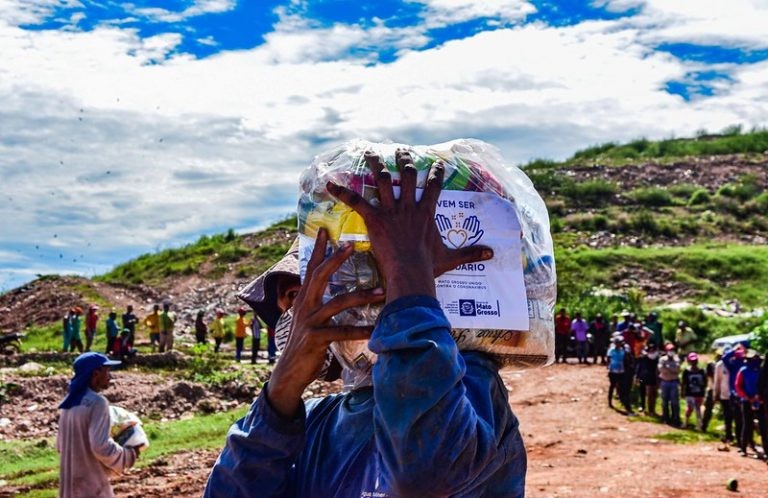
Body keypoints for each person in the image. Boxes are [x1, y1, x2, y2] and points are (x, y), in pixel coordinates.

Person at [205, 150, 526, 496]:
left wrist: (409, 279)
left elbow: (426, 473)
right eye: (290, 297)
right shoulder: (307, 425)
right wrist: (281, 388)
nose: (297, 308)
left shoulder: (473, 396)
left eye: (310, 288)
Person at [57, 352, 140, 497]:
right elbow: (99, 446)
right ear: (95, 374)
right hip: (92, 487)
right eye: (107, 371)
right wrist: (128, 455)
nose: (110, 376)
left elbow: (60, 445)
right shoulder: (97, 403)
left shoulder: (67, 405)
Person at [734, 352, 767, 458]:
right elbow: (738, 386)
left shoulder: (763, 371)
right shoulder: (743, 371)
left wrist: (760, 397)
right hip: (747, 401)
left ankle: (766, 451)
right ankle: (743, 448)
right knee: (747, 425)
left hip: (760, 401)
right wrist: (746, 397)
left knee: (764, 427)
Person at [723, 346, 746, 447]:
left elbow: (724, 358)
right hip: (741, 395)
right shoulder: (743, 364)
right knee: (743, 419)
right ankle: (743, 441)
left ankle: (740, 441)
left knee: (737, 419)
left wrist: (733, 350)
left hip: (736, 394)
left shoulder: (733, 364)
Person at [713, 347, 735, 444]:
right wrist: (716, 394)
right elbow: (717, 381)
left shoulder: (735, 363)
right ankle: (728, 435)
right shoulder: (720, 365)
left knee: (737, 417)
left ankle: (739, 436)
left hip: (735, 395)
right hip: (724, 395)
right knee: (727, 416)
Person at [681, 352, 707, 430]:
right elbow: (684, 383)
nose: (694, 362)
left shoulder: (702, 371)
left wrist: (703, 392)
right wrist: (682, 392)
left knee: (698, 409)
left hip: (699, 393)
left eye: (695, 360)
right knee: (690, 408)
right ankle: (685, 422)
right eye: (692, 361)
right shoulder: (686, 371)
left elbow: (705, 382)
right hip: (689, 393)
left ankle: (699, 425)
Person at [658, 344, 681, 427]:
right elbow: (661, 369)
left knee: (674, 402)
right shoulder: (662, 359)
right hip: (664, 382)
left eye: (672, 350)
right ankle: (665, 417)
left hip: (673, 382)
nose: (671, 352)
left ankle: (676, 418)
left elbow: (677, 370)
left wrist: (668, 368)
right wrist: (671, 369)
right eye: (670, 350)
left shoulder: (677, 359)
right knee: (664, 401)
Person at [607, 336, 631, 413]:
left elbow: (626, 359)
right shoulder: (611, 350)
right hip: (613, 370)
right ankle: (610, 402)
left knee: (622, 387)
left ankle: (624, 402)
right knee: (612, 386)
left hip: (621, 370)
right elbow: (608, 359)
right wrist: (609, 367)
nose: (619, 344)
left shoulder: (623, 350)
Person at [635, 342, 659, 416]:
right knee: (643, 392)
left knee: (653, 394)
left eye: (653, 349)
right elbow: (639, 367)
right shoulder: (643, 358)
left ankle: (652, 409)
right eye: (650, 349)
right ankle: (643, 406)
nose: (651, 351)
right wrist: (637, 376)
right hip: (643, 377)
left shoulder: (657, 358)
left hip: (653, 377)